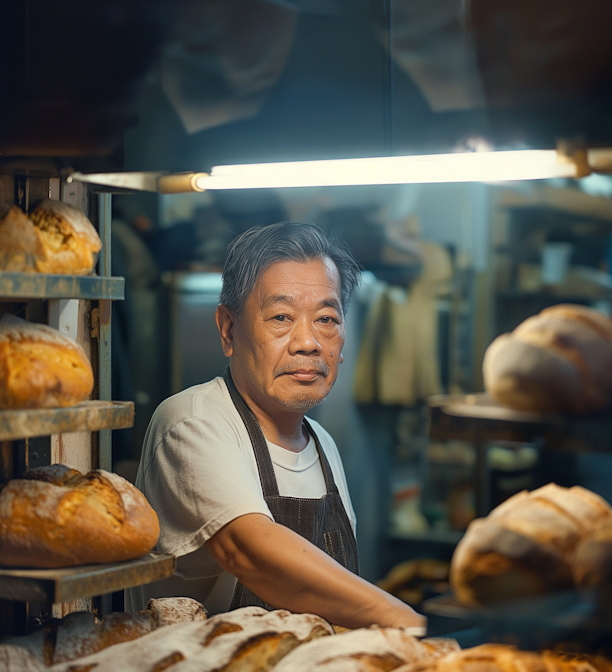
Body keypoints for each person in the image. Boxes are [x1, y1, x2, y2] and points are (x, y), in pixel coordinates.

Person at [129, 222, 424, 630]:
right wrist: (407, 623)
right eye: (281, 317)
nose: (308, 342)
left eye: (326, 318)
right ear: (229, 329)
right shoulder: (192, 422)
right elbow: (251, 552)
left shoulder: (322, 445)